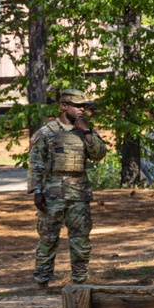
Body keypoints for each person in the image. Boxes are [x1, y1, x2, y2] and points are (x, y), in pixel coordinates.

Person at [28, 89, 107, 287]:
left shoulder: (85, 131)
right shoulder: (47, 132)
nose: (82, 110)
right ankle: (42, 283)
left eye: (84, 107)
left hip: (79, 194)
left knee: (81, 239)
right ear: (64, 106)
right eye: (77, 106)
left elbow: (98, 154)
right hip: (51, 194)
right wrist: (37, 191)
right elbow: (36, 163)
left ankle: (80, 281)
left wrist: (86, 131)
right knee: (48, 238)